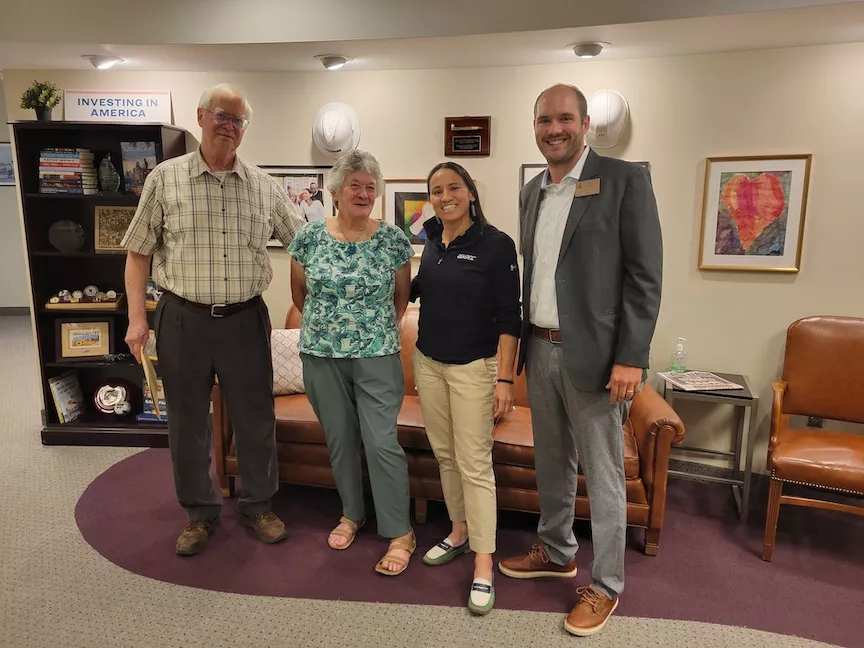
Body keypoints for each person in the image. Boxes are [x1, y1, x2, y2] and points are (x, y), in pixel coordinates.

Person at [497, 83, 662, 636]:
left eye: (565, 118)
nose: (554, 130)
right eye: (544, 120)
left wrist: (631, 358)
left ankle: (607, 583)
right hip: (539, 347)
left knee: (605, 475)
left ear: (586, 122)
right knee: (552, 460)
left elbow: (644, 277)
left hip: (597, 359)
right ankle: (556, 549)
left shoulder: (623, 180)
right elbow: (535, 276)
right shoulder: (531, 193)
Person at [121, 83, 305, 557]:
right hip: (182, 318)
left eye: (238, 120)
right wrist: (137, 319)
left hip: (245, 320)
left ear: (245, 129)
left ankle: (258, 506)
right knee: (187, 423)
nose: (229, 125)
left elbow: (307, 245)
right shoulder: (165, 178)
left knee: (255, 418)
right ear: (201, 116)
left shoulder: (264, 186)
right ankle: (199, 514)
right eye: (222, 115)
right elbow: (138, 254)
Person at [287, 149, 416, 576]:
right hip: (321, 356)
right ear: (336, 192)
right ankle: (352, 513)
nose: (363, 193)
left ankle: (400, 532)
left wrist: (369, 331)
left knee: (381, 442)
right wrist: (332, 332)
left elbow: (401, 300)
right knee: (340, 440)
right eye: (355, 185)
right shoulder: (308, 238)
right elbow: (299, 298)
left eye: (370, 187)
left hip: (377, 355)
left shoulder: (394, 239)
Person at [410, 162, 520, 614]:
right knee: (445, 455)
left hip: (474, 368)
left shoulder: (496, 245)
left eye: (453, 187)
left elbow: (510, 318)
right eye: (436, 190)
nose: (444, 196)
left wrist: (506, 379)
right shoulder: (432, 239)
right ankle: (458, 531)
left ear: (471, 193)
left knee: (474, 463)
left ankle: (483, 561)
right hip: (428, 364)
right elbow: (418, 290)